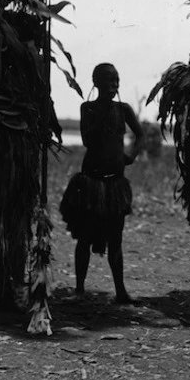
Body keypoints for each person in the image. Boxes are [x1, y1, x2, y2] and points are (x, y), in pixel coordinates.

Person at [60, 63, 145, 304]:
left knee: (115, 238)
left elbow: (140, 135)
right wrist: (103, 112)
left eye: (116, 81)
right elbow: (87, 139)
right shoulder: (88, 108)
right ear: (96, 83)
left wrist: (131, 156)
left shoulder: (124, 109)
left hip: (114, 184)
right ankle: (79, 289)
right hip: (91, 183)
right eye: (108, 81)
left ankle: (120, 291)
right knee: (85, 237)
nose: (114, 85)